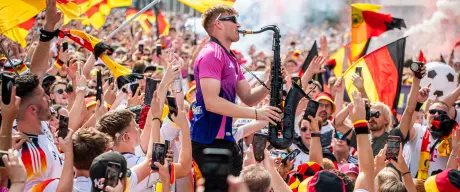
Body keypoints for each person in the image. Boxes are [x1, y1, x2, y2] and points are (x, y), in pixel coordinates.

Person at [190, 4, 280, 176]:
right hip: (210, 142)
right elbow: (212, 102)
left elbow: (248, 97)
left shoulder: (229, 56)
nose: (239, 25)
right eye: (233, 20)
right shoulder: (211, 54)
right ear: (218, 24)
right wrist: (256, 113)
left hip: (225, 139)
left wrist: (270, 83)